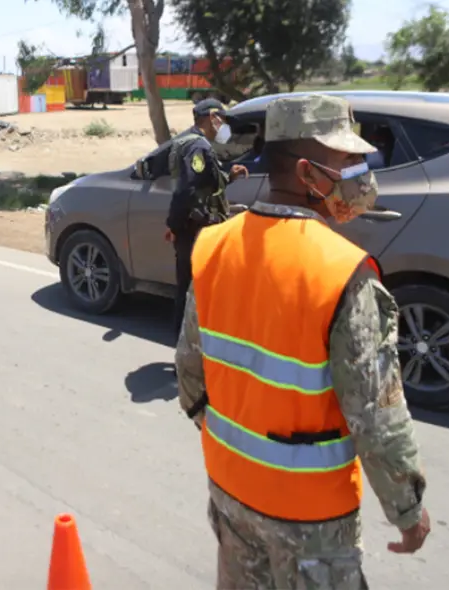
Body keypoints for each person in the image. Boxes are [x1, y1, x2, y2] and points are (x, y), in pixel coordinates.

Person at [175, 94, 430, 589]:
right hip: (310, 522)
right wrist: (408, 510)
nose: (362, 171)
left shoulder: (214, 246)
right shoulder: (339, 273)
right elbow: (378, 415)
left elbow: (189, 371)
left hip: (230, 494)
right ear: (309, 173)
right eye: (348, 160)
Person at [165, 98, 248, 339]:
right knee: (194, 290)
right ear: (212, 117)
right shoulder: (198, 147)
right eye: (221, 118)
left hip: (190, 227)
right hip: (196, 229)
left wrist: (228, 177)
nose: (223, 125)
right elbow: (187, 189)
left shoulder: (185, 141)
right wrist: (174, 225)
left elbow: (199, 184)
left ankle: (186, 344)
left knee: (190, 289)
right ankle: (185, 346)